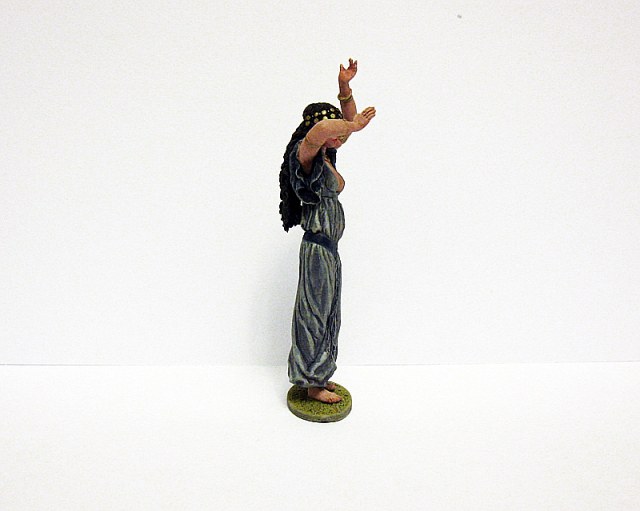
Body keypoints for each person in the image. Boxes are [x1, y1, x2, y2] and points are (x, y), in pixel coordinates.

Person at [278, 58, 376, 404]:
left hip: (330, 251)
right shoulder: (305, 157)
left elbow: (342, 128)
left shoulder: (327, 159)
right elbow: (321, 131)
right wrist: (352, 123)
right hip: (317, 248)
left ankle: (320, 372)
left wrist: (344, 88)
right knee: (314, 313)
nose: (342, 136)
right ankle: (310, 381)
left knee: (329, 311)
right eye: (336, 131)